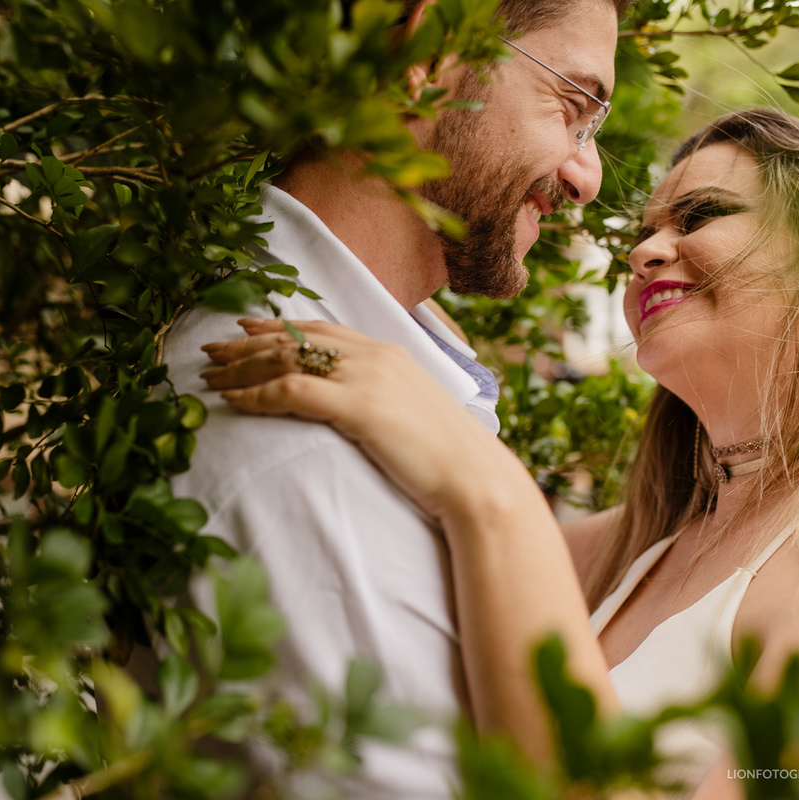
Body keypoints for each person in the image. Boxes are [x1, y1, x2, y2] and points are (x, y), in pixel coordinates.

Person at [200, 108, 799, 796]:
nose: (643, 253)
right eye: (642, 233)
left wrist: (492, 490)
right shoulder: (633, 543)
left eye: (701, 216)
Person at [160, 1, 630, 796]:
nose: (586, 177)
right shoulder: (303, 437)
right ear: (431, 51)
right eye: (573, 108)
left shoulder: (380, 377)